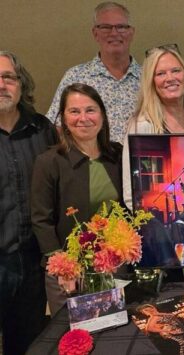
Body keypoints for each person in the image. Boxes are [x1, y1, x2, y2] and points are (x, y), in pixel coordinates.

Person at [32, 83, 122, 315]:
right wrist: (63, 268)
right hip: (70, 276)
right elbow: (41, 220)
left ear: (102, 114)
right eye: (74, 111)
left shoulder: (118, 154)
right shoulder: (49, 162)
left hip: (115, 271)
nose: (83, 118)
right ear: (63, 118)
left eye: (90, 110)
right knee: (75, 344)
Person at [0, 51, 57, 355]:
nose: (2, 85)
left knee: (28, 344)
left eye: (9, 77)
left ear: (21, 84)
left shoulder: (42, 129)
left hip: (34, 260)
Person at [46, 2, 140, 142]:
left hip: (140, 162)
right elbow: (57, 127)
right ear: (95, 33)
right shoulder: (76, 77)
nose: (114, 33)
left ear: (131, 33)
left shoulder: (149, 78)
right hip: (92, 162)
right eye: (106, 27)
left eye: (121, 27)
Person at [123, 45, 184, 211]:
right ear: (151, 82)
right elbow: (131, 194)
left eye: (176, 70)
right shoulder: (142, 125)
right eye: (160, 73)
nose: (170, 78)